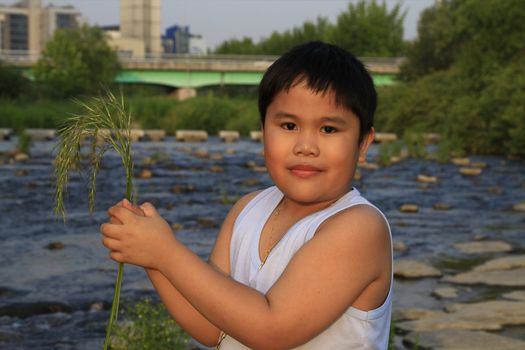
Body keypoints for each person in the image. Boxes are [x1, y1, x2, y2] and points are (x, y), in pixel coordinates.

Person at [101, 41, 392, 349]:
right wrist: (152, 258)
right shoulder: (247, 209)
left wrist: (167, 253)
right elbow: (213, 327)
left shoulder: (359, 227)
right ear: (263, 130)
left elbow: (272, 330)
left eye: (329, 129)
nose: (306, 146)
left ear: (363, 143)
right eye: (289, 125)